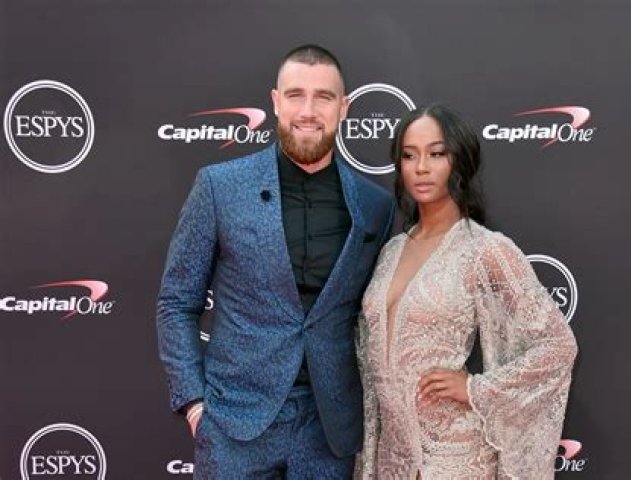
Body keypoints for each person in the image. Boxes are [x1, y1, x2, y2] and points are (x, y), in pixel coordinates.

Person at [156, 44, 395, 479]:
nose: (308, 111)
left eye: (323, 97)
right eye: (295, 95)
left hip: (328, 432)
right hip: (234, 426)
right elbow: (177, 302)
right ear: (275, 101)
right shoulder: (220, 187)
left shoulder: (374, 206)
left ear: (344, 107)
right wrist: (194, 405)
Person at [355, 104, 577, 479]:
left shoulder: (485, 249)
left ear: (459, 161)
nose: (421, 167)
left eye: (436, 154)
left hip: (455, 458)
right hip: (393, 459)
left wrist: (476, 388)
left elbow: (558, 345)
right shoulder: (391, 250)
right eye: (409, 155)